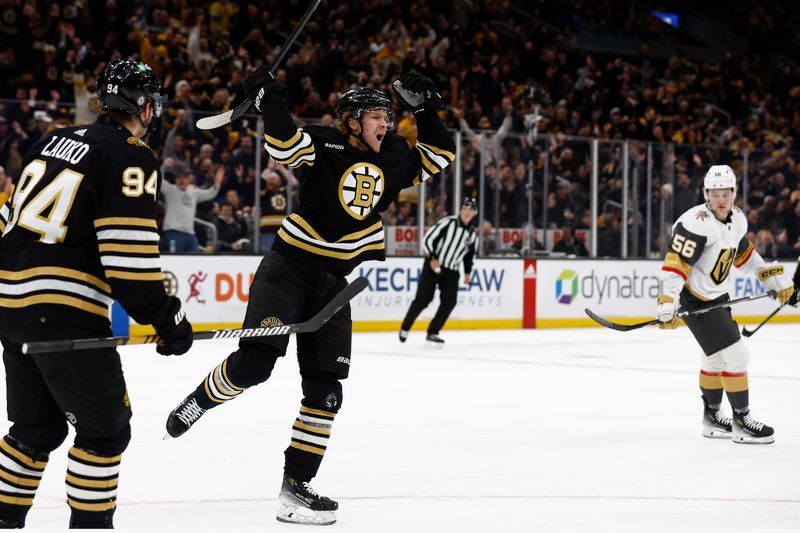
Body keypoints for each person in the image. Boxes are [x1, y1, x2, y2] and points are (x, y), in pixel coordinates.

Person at [164, 70, 455, 525]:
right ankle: (200, 399)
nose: (386, 123)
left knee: (326, 393)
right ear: (352, 122)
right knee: (255, 365)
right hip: (287, 270)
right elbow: (283, 144)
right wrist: (271, 99)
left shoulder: (397, 154)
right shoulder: (324, 143)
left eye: (389, 115)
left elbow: (440, 154)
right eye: (377, 116)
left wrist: (425, 107)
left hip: (333, 285)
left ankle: (295, 487)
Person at [0, 59, 193, 529]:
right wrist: (168, 321)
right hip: (64, 310)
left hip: (9, 306)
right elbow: (129, 264)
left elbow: (8, 217)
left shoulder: (53, 140)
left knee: (35, 428)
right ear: (145, 107)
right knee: (105, 433)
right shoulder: (133, 156)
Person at [656, 165, 793, 445]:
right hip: (695, 300)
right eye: (715, 193)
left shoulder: (738, 219)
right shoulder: (695, 223)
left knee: (715, 359)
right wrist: (667, 301)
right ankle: (741, 421)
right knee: (738, 356)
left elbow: (743, 254)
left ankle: (712, 417)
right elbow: (676, 266)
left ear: (734, 194)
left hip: (717, 298)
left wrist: (769, 278)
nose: (721, 199)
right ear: (706, 194)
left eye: (726, 193)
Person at [399, 197, 479, 344]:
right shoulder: (448, 223)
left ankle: (433, 331)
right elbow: (428, 239)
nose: (467, 212)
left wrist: (468, 272)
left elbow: (469, 255)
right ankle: (405, 327)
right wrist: (433, 258)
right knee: (423, 300)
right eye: (465, 209)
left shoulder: (472, 234)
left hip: (452, 270)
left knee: (450, 301)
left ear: (475, 213)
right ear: (461, 209)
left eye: (470, 210)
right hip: (433, 265)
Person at [159, 166, 222, 252]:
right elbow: (158, 179)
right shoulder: (170, 190)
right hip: (174, 233)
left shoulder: (194, 192)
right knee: (175, 260)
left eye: (184, 178)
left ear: (188, 179)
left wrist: (217, 182)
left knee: (195, 260)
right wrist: (164, 166)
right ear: (175, 180)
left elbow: (211, 193)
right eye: (179, 178)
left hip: (190, 234)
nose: (181, 180)